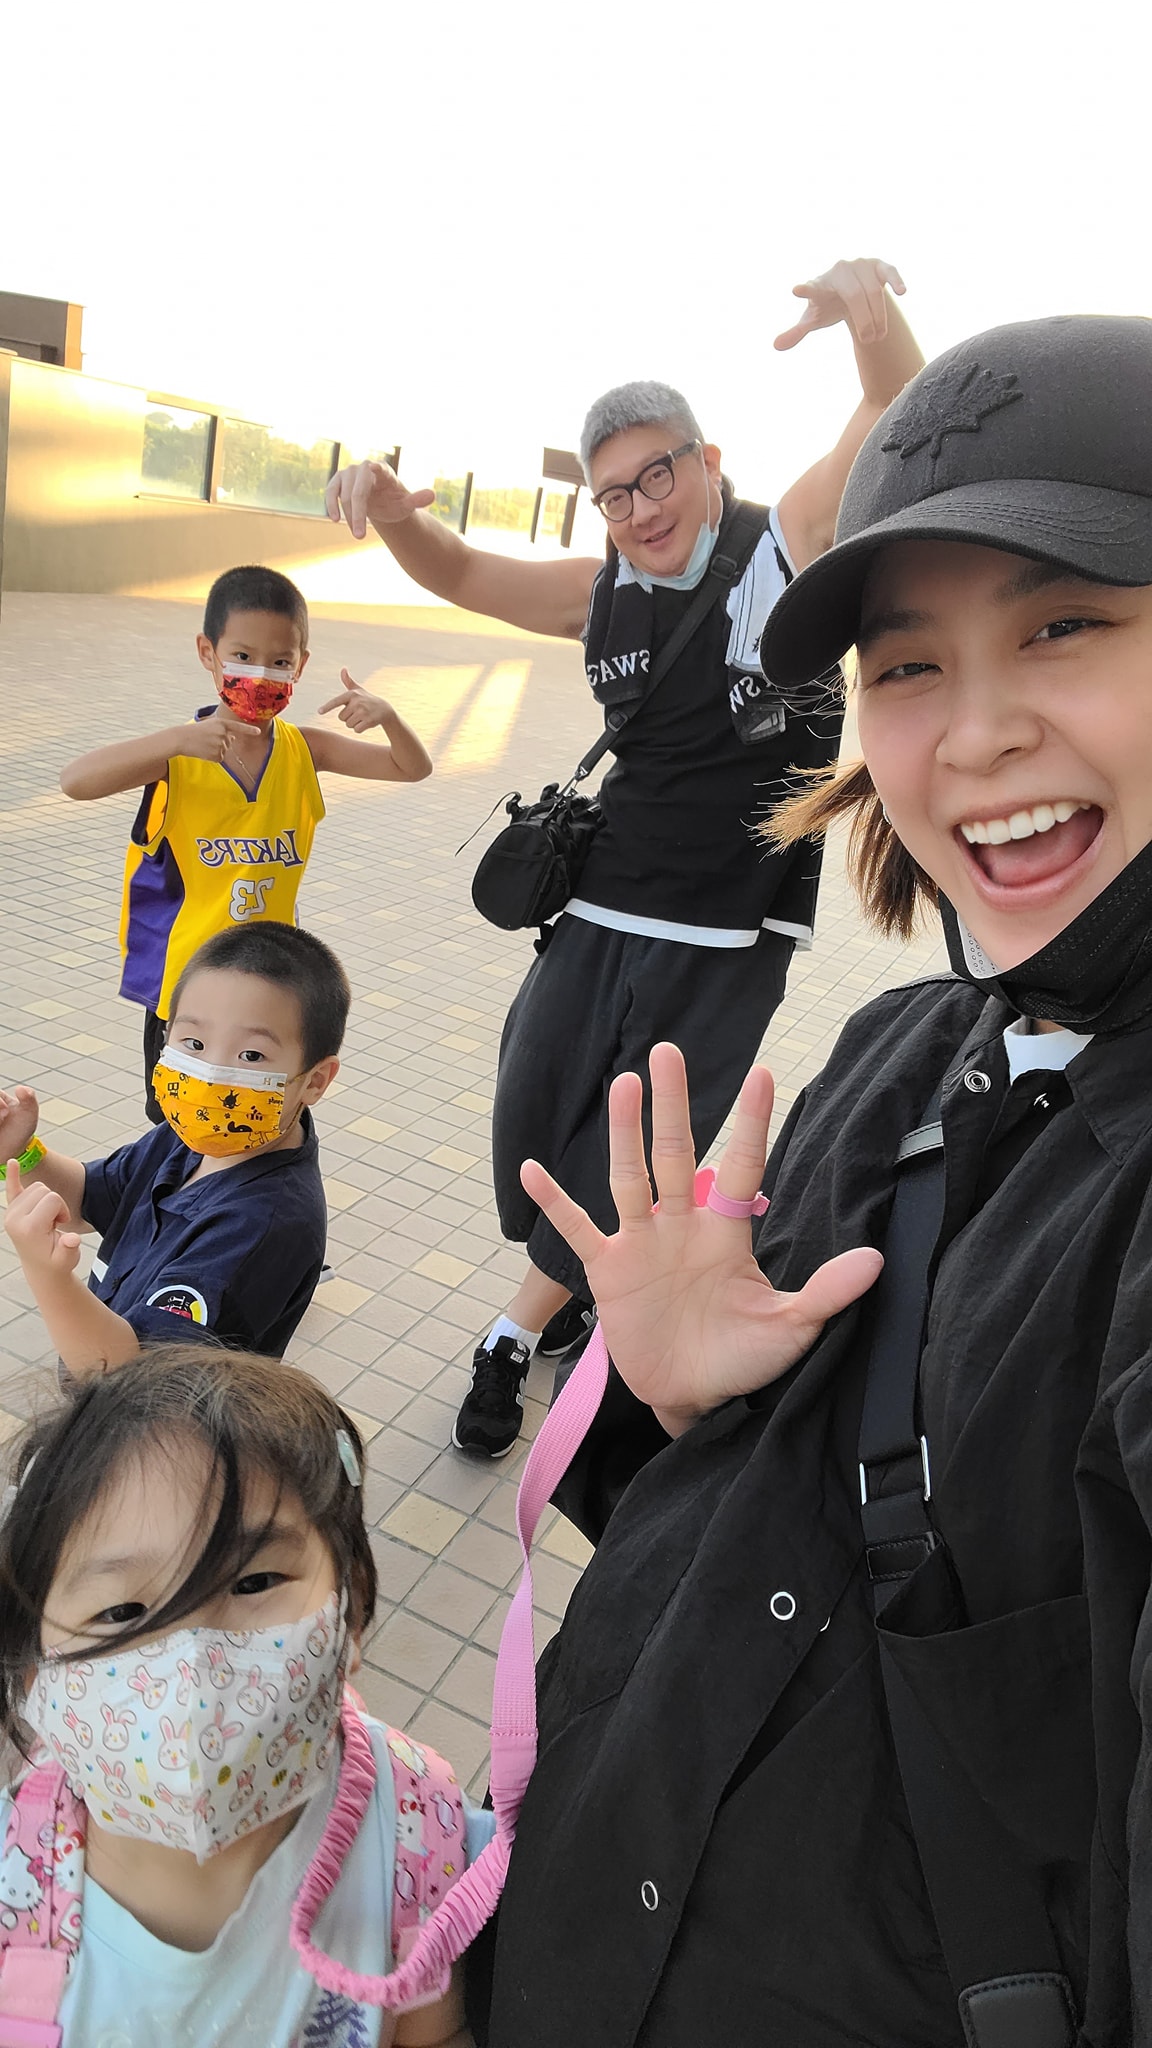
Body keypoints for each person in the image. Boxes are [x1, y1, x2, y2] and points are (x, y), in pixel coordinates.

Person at [459, 313, 1152, 2045]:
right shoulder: (899, 1059)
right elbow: (746, 1562)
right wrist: (672, 1405)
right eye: (906, 665)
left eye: (1065, 626)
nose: (971, 735)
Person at [326, 256, 925, 1459]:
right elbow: (462, 571)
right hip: (601, 907)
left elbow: (889, 409)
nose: (643, 507)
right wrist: (392, 510)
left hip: (729, 928)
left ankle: (517, 1329)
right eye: (615, 493)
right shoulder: (600, 588)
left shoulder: (782, 546)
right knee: (532, 1102)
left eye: (660, 473)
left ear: (707, 463)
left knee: (641, 1140)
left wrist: (873, 318)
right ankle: (567, 1282)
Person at [0, 1344, 493, 2044]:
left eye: (254, 1582)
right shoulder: (10, 1875)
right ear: (32, 1671)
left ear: (349, 1611)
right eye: (122, 1612)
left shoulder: (417, 1831)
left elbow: (433, 2034)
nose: (192, 1662)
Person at [59, 563, 432, 1123]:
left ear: (300, 664)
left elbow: (411, 768)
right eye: (241, 656)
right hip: (191, 989)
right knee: (177, 1125)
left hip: (273, 988)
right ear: (207, 653)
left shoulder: (307, 750)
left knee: (261, 1123)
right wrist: (176, 740)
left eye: (279, 662)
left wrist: (391, 717)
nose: (260, 675)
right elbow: (75, 781)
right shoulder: (179, 755)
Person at [1, 920, 346, 1374]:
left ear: (315, 1080)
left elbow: (131, 1375)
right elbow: (87, 1199)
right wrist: (21, 1150)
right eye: (194, 1043)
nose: (211, 1074)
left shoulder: (263, 1226)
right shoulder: (189, 1137)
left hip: (150, 1414)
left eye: (251, 1055)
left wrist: (48, 1277)